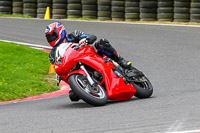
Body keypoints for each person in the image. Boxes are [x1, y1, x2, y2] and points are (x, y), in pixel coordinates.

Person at [45, 22, 132, 69]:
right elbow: (58, 68)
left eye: (52, 35)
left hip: (90, 55)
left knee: (102, 43)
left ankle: (120, 60)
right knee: (74, 96)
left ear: (60, 31)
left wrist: (85, 40)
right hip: (75, 67)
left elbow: (90, 36)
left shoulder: (74, 35)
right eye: (49, 37)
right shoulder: (52, 54)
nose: (51, 39)